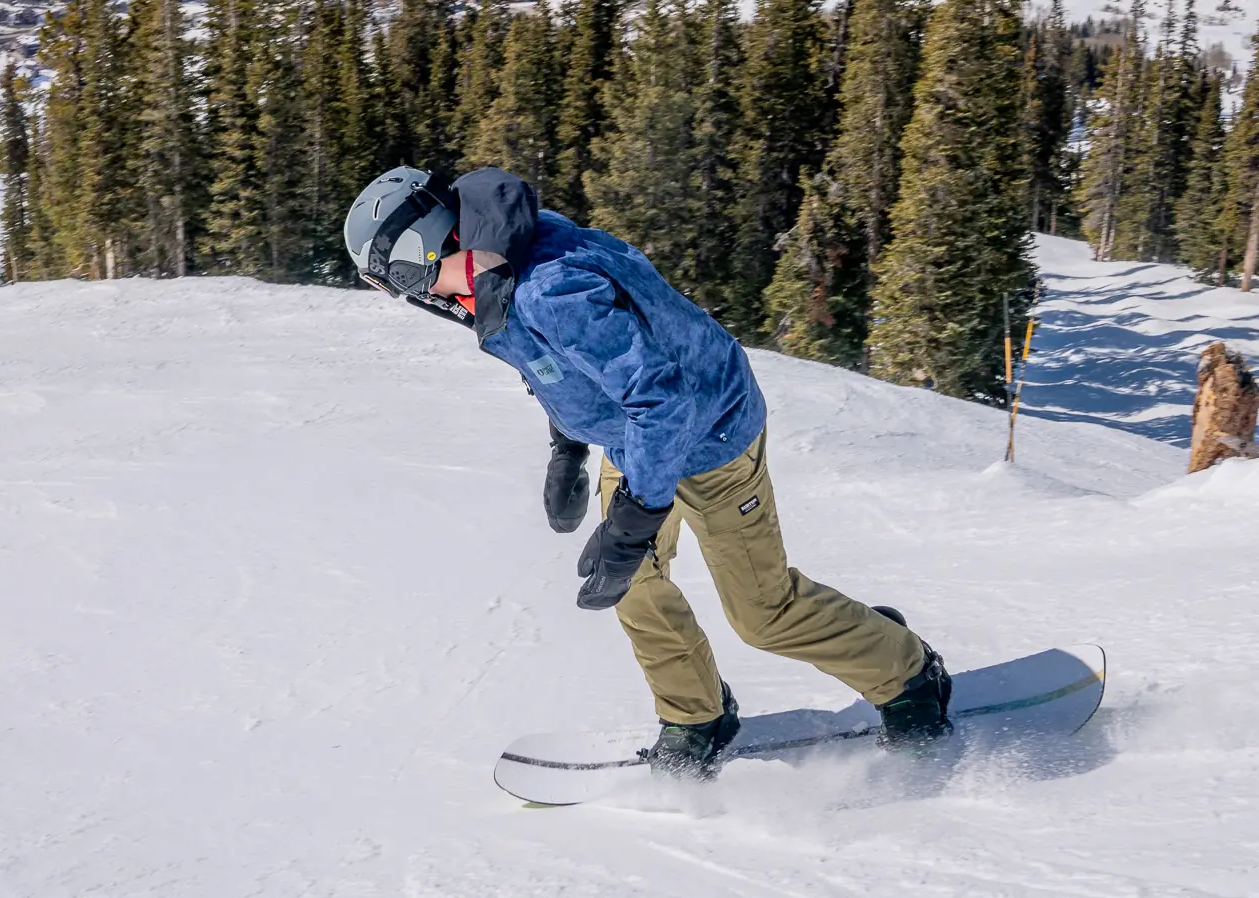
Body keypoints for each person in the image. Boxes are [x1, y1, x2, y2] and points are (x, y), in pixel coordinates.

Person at [344, 164, 952, 775]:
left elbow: (661, 399)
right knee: (633, 582)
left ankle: (907, 671)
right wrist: (569, 445)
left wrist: (635, 519)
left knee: (763, 614)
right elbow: (579, 369)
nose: (413, 294)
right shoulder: (495, 263)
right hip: (641, 439)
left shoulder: (548, 288)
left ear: (433, 243)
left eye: (401, 277)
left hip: (710, 437)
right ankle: (697, 715)